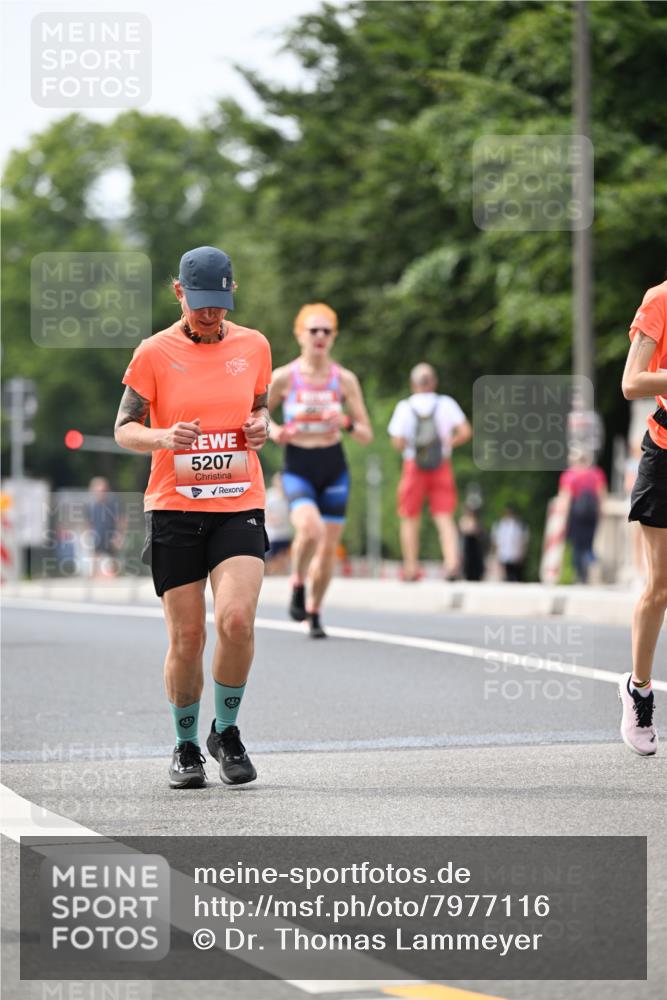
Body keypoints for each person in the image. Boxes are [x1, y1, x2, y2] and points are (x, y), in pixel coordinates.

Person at [114, 246, 272, 789]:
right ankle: (185, 745)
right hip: (175, 506)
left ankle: (225, 732)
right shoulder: (153, 353)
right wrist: (162, 435)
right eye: (200, 303)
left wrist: (261, 425)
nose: (210, 314)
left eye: (219, 304)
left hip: (238, 501)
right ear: (179, 293)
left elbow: (259, 405)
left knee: (236, 621)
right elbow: (124, 427)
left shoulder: (254, 346)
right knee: (187, 638)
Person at [268, 303, 373, 637]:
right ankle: (298, 581)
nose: (320, 336)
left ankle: (314, 611)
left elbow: (366, 434)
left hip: (333, 465)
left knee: (328, 547)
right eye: (313, 330)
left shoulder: (344, 380)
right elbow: (256, 414)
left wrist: (343, 420)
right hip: (298, 465)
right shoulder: (284, 377)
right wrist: (275, 431)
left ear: (334, 337)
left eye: (327, 331)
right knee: (310, 530)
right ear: (300, 334)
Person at [619, 277, 667, 755]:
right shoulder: (659, 299)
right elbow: (632, 382)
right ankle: (639, 689)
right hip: (665, 457)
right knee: (661, 587)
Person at [388, 363, 471, 581]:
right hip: (441, 464)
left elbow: (397, 441)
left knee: (409, 517)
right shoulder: (446, 404)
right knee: (444, 517)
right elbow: (465, 431)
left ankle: (411, 567)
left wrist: (413, 446)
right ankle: (452, 564)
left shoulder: (404, 407)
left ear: (412, 384)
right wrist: (448, 443)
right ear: (434, 382)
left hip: (413, 465)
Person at [557, 448, 607, 584]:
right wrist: (601, 514)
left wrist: (563, 520)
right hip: (592, 514)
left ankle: (580, 575)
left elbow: (566, 499)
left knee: (577, 545)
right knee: (589, 544)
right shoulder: (596, 473)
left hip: (576, 514)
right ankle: (592, 568)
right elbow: (602, 495)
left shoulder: (569, 475)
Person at [85, 476, 124, 578]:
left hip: (111, 535)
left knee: (113, 558)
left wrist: (119, 535)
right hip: (97, 535)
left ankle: (114, 579)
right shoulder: (91, 505)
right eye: (98, 491)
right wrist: (88, 534)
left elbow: (120, 519)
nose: (100, 493)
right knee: (95, 556)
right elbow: (88, 522)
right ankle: (93, 578)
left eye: (103, 490)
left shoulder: (113, 504)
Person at [491, 504, 529, 582]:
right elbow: (495, 541)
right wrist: (495, 556)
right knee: (507, 579)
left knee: (517, 578)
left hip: (516, 556)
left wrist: (523, 554)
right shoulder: (499, 525)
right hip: (504, 556)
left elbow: (524, 542)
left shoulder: (521, 525)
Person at [265, 472, 292, 575]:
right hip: (273, 534)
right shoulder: (270, 495)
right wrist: (272, 519)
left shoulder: (289, 495)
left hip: (285, 532)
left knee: (283, 556)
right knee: (271, 558)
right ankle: (271, 574)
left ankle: (280, 575)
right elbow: (264, 512)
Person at [458, 503, 486, 581]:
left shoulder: (477, 520)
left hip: (475, 545)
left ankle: (476, 575)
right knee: (467, 561)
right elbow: (463, 530)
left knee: (475, 561)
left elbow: (480, 533)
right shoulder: (463, 519)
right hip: (467, 543)